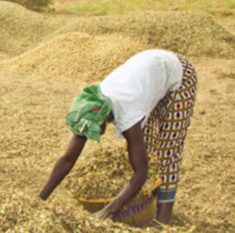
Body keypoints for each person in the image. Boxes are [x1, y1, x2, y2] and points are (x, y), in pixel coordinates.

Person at [39, 49, 197, 225]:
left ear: (103, 118)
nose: (91, 134)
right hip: (149, 74)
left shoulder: (127, 112)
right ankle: (149, 206)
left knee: (166, 151)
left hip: (178, 73)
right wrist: (40, 199)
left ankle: (163, 218)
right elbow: (68, 158)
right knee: (148, 148)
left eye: (93, 129)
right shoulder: (93, 104)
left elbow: (141, 171)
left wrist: (109, 210)